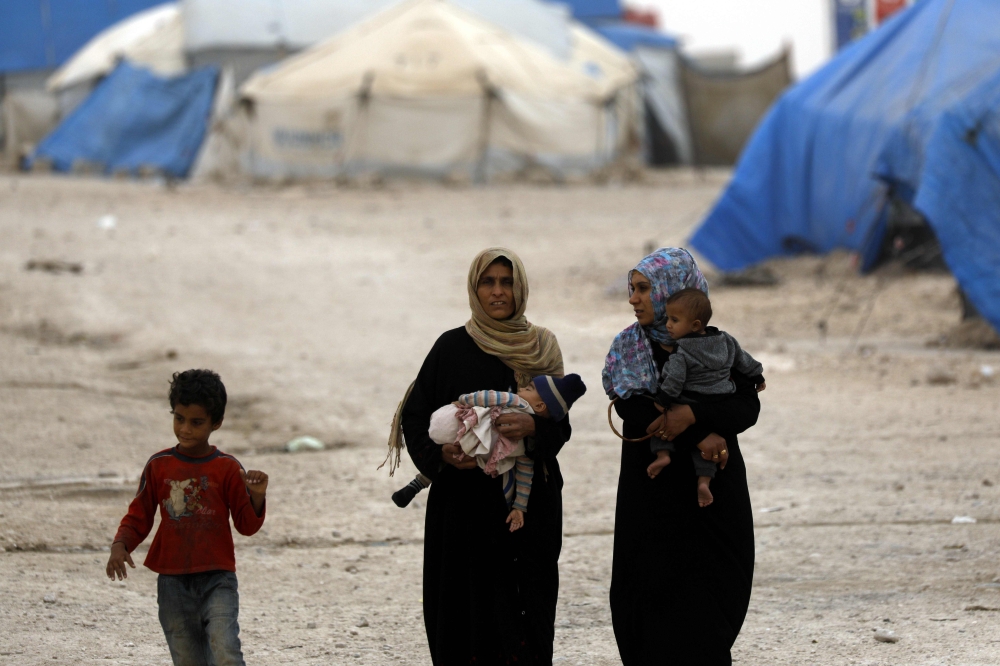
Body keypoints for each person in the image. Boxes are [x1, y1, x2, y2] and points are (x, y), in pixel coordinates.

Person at [388, 247, 570, 665]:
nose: (498, 292)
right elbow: (416, 418)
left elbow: (560, 424)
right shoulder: (450, 348)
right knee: (462, 619)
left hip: (526, 510)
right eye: (488, 282)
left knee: (528, 619)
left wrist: (534, 429)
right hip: (463, 510)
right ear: (475, 289)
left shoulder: (542, 346)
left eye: (507, 282)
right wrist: (443, 456)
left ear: (520, 287)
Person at [603, 248, 760, 665]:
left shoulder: (717, 345)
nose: (633, 299)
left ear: (674, 291)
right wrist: (703, 434)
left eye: (643, 289)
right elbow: (634, 410)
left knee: (715, 596)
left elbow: (749, 405)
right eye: (632, 289)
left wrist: (695, 415)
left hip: (712, 498)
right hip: (653, 499)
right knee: (650, 604)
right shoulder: (630, 352)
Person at [105, 369, 268, 666]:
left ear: (216, 423)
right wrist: (121, 544)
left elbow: (246, 525)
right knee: (187, 658)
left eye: (196, 422)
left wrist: (256, 496)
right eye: (179, 418)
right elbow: (139, 514)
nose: (185, 429)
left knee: (225, 650)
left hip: (217, 578)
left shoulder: (228, 469)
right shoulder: (159, 466)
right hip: (172, 582)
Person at [392, 374, 586, 534]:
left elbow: (546, 444)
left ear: (542, 406)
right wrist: (520, 506)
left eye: (531, 388)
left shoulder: (539, 351)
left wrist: (520, 507)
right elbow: (487, 398)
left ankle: (417, 484)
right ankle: (417, 483)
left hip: (484, 456)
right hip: (462, 478)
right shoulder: (450, 347)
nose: (524, 387)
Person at [647, 288, 766, 509]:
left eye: (674, 320)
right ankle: (704, 480)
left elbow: (675, 379)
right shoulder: (726, 340)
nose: (668, 325)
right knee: (707, 449)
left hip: (693, 397)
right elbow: (744, 360)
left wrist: (664, 399)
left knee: (663, 426)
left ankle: (662, 454)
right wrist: (757, 375)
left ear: (694, 325)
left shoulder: (681, 350)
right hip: (722, 397)